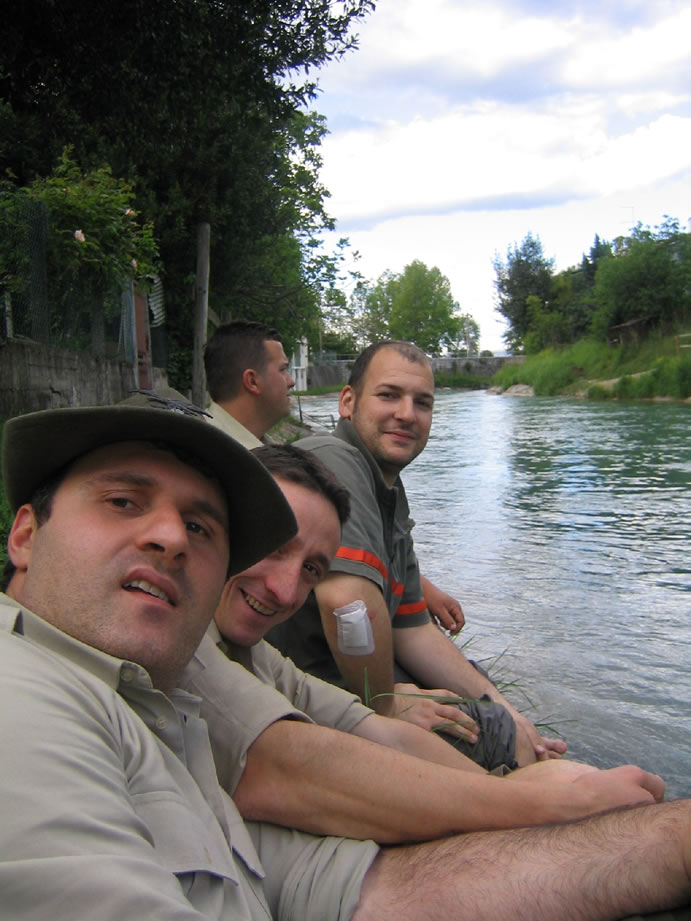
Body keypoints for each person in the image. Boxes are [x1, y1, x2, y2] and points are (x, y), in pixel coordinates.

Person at [1, 394, 690, 921]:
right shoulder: (31, 693)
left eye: (201, 528)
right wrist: (529, 803)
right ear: (25, 535)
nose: (171, 538)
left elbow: (357, 878)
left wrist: (658, 840)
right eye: (123, 501)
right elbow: (288, 754)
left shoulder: (161, 689)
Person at [183, 444, 676, 842]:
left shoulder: (257, 653)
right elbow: (289, 765)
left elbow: (373, 728)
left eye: (312, 568)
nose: (286, 589)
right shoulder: (188, 644)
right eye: (273, 548)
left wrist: (517, 785)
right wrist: (555, 805)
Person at [267, 341, 567, 768]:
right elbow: (348, 605)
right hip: (311, 701)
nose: (407, 414)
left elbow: (413, 629)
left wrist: (506, 711)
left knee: (500, 718)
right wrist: (386, 702)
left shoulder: (387, 490)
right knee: (510, 750)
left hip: (353, 686)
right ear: (348, 402)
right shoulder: (335, 462)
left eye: (422, 403)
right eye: (389, 395)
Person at [204, 319, 295, 448]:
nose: (291, 382)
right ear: (252, 381)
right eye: (282, 369)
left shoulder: (205, 441)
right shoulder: (208, 452)